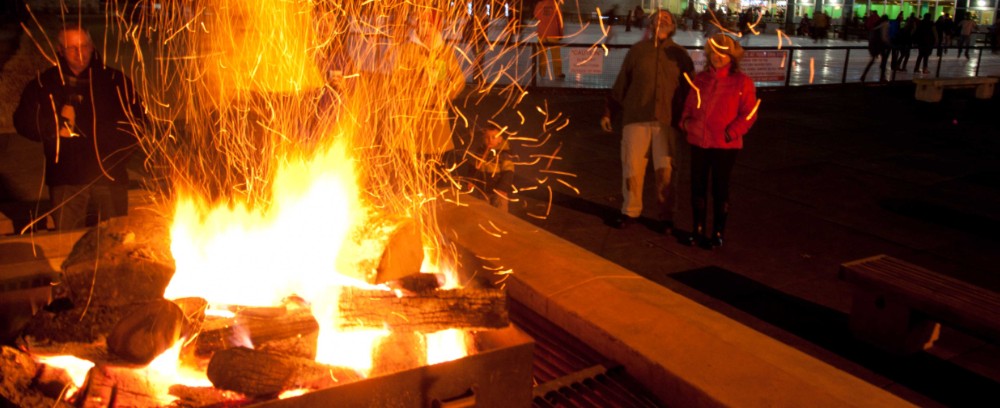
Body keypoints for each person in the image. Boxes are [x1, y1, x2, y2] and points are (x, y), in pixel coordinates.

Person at [13, 25, 145, 231]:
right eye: (72, 47)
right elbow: (23, 122)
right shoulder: (45, 84)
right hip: (66, 181)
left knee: (114, 240)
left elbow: (139, 124)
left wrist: (117, 155)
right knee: (68, 242)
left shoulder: (114, 82)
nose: (79, 52)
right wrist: (54, 127)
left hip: (109, 178)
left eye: (84, 45)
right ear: (60, 50)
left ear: (92, 47)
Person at [599, 10, 694, 231]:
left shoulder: (680, 55)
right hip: (636, 117)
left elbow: (690, 91)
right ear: (651, 24)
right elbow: (622, 83)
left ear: (673, 26)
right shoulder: (637, 51)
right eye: (658, 19)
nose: (662, 22)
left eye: (667, 20)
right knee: (632, 168)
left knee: (666, 171)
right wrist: (608, 111)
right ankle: (630, 211)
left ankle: (666, 217)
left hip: (667, 121)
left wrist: (690, 120)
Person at [679, 33, 758, 248]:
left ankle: (718, 232)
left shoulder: (742, 82)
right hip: (699, 142)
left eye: (722, 52)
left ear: (731, 56)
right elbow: (688, 106)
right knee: (697, 186)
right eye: (714, 52)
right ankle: (697, 229)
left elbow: (749, 114)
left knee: (720, 188)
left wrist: (730, 133)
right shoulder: (701, 79)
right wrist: (686, 123)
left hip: (725, 146)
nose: (717, 56)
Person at [465, 123, 515, 212]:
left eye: (493, 137)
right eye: (487, 137)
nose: (490, 140)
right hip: (482, 191)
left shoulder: (504, 154)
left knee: (500, 215)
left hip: (499, 193)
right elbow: (473, 168)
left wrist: (502, 188)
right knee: (484, 213)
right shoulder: (480, 152)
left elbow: (508, 173)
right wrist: (471, 181)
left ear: (500, 139)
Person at [534, 0, 565, 79]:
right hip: (553, 33)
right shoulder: (554, 4)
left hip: (542, 33)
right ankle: (558, 73)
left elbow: (536, 15)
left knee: (542, 54)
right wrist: (560, 33)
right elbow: (559, 19)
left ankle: (542, 73)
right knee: (556, 55)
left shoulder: (539, 4)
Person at [861, 15, 890, 83]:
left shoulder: (877, 25)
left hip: (873, 44)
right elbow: (884, 37)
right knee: (884, 60)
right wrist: (889, 43)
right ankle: (882, 77)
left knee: (872, 60)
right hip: (880, 45)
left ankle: (864, 75)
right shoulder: (885, 24)